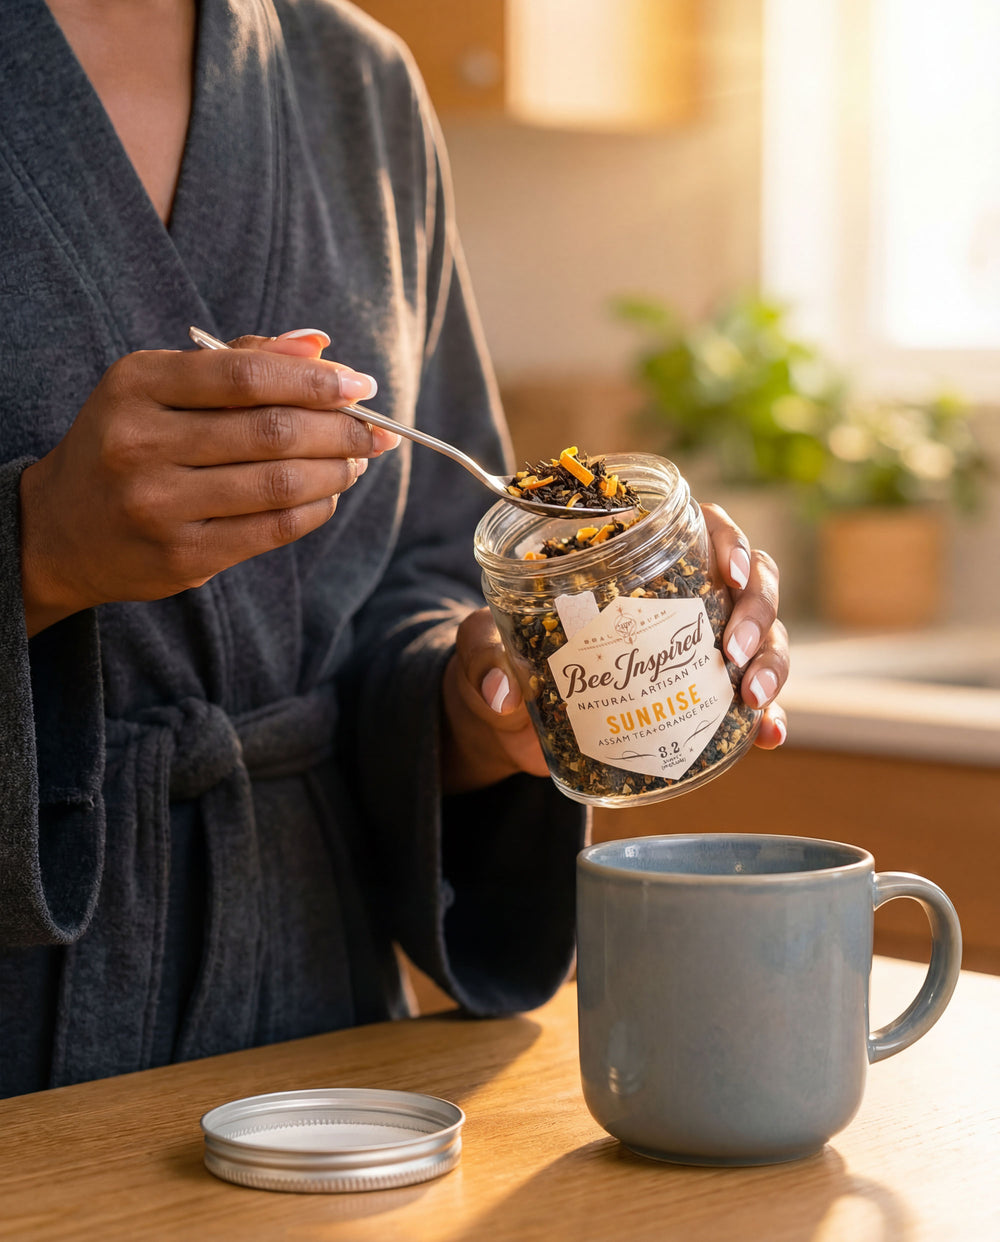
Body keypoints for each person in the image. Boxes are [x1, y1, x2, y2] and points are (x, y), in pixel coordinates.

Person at [0, 0, 788, 1098]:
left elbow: (410, 582)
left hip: (324, 1049)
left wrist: (478, 703)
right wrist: (36, 552)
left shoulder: (357, 78)